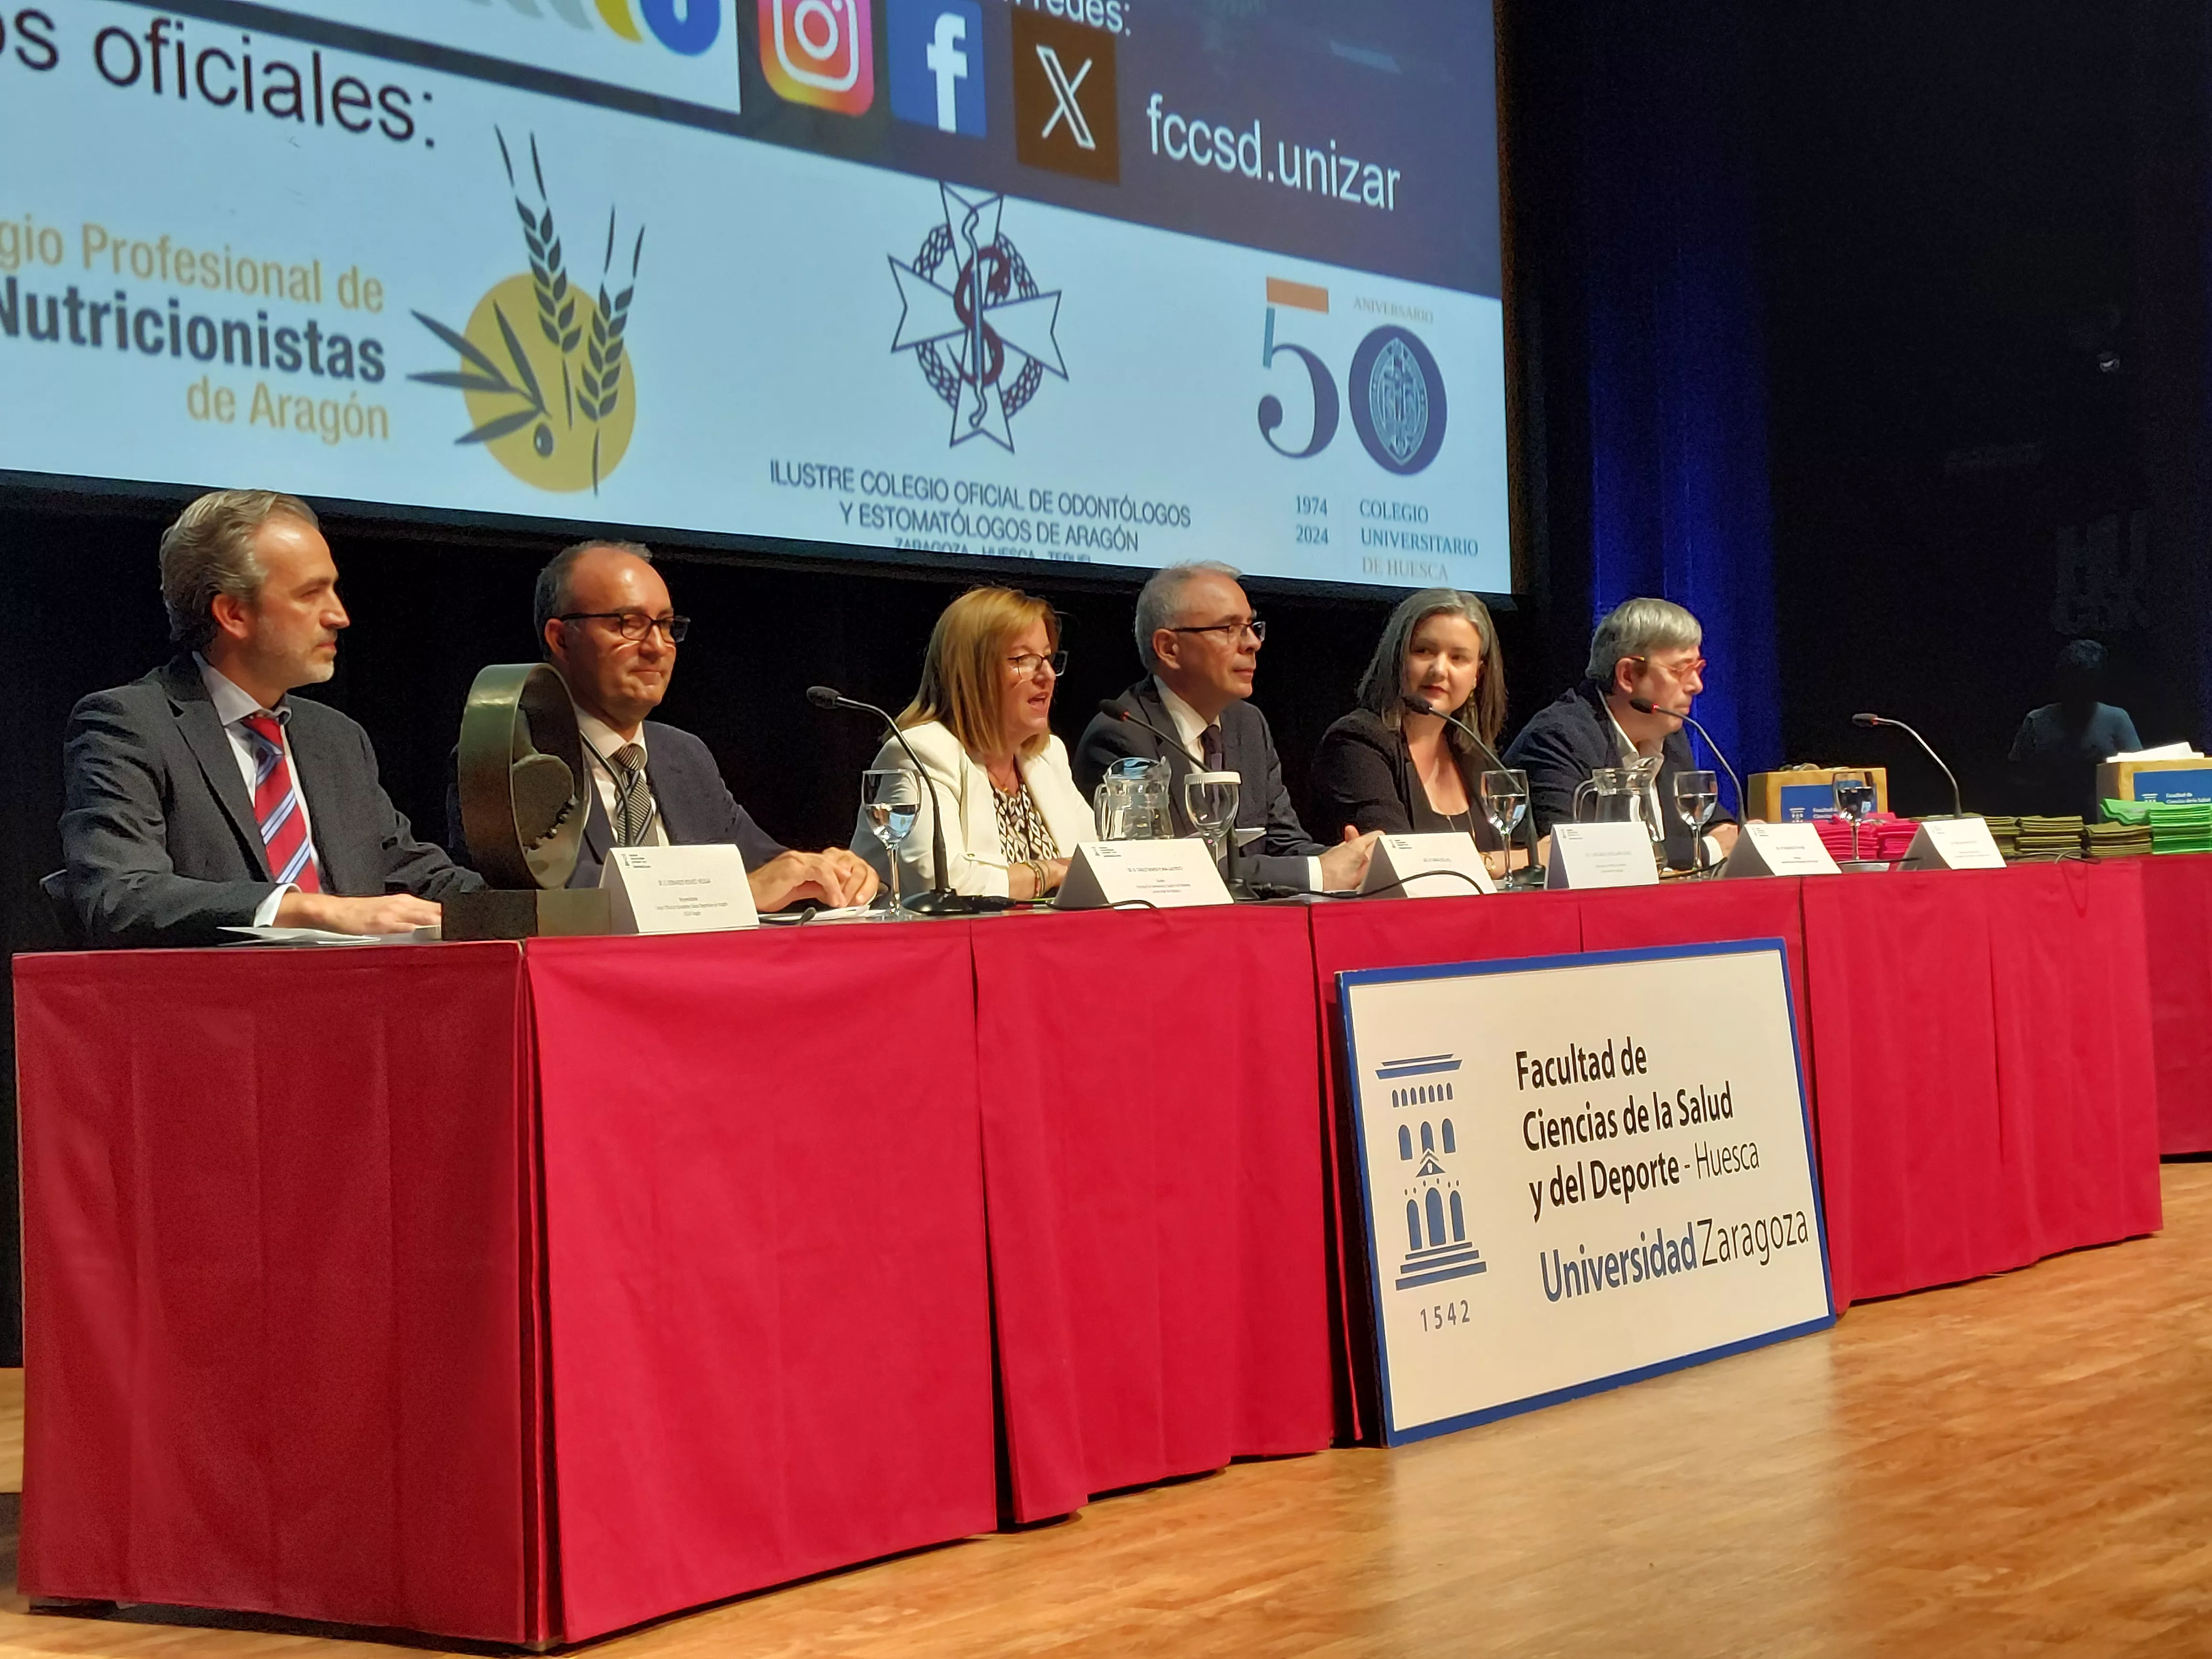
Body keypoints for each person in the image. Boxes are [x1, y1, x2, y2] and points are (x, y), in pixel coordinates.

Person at [59, 488, 482, 948]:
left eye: (334, 589)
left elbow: (410, 871)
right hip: (217, 1010)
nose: (339, 615)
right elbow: (118, 894)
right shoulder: (130, 725)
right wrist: (311, 908)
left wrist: (549, 906)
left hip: (362, 1002)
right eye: (310, 594)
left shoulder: (336, 739)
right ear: (234, 613)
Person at [452, 540, 876, 911]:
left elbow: (764, 864)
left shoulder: (683, 755)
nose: (657, 647)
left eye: (666, 625)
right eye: (629, 624)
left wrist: (828, 871)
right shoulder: (516, 757)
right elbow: (542, 899)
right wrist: (734, 892)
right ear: (561, 638)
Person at [1074, 562, 1381, 893]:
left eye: (1252, 626)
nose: (1252, 643)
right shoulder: (1122, 735)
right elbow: (1167, 870)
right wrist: (1316, 873)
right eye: (1228, 629)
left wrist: (1350, 859)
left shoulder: (1247, 723)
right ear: (1169, 648)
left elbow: (1283, 843)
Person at [850, 586, 1092, 901]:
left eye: (1047, 658)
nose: (1046, 674)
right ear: (972, 672)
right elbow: (941, 884)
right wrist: (1049, 873)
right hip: (941, 946)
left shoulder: (1048, 755)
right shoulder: (921, 752)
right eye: (1022, 660)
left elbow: (1095, 863)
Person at [1504, 596, 1740, 870]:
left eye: (1698, 670)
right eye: (1680, 671)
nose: (1697, 686)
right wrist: (1708, 849)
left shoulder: (1668, 732)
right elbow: (1583, 855)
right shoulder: (1557, 738)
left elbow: (1716, 826)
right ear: (1628, 676)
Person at [1310, 588, 1526, 876]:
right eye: (1423, 651)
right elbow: (1402, 862)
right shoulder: (1356, 743)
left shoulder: (1474, 754)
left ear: (1478, 675)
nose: (1439, 670)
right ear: (1398, 657)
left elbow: (1521, 852)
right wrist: (1498, 862)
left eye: (1458, 658)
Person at [2009, 639, 2142, 818]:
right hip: (2048, 824)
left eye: (2087, 685)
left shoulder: (2117, 719)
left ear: (2099, 685)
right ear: (2061, 681)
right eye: (2074, 684)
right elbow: (2015, 780)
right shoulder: (2037, 721)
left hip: (2106, 824)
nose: (2080, 693)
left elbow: (2138, 776)